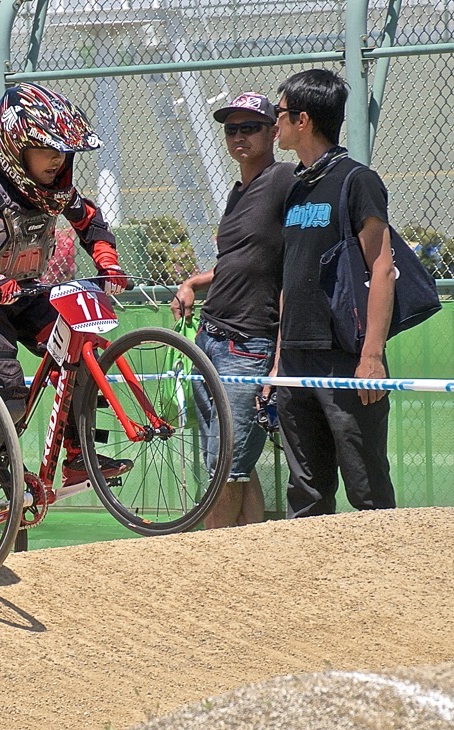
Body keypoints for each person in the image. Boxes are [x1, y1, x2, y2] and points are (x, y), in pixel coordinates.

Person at [0, 82, 132, 511]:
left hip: (28, 294)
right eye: (47, 149)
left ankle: (80, 458)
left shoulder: (59, 192)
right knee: (7, 388)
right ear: (14, 148)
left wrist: (107, 263)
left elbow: (92, 223)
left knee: (83, 352)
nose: (59, 160)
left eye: (64, 152)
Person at [274, 68, 396, 517]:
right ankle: (308, 586)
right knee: (305, 494)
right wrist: (278, 360)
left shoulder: (357, 180)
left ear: (303, 119)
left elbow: (382, 268)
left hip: (345, 355)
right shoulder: (295, 187)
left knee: (367, 489)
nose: (275, 122)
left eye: (280, 112)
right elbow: (291, 276)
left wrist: (372, 356)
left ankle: (384, 581)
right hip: (295, 360)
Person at [171, 92, 296, 529]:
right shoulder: (237, 192)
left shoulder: (286, 180)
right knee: (232, 463)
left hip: (249, 343)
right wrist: (191, 283)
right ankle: (246, 556)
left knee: (225, 467)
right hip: (211, 336)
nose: (239, 136)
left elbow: (288, 267)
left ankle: (213, 561)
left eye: (251, 127)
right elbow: (236, 262)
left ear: (274, 131)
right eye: (231, 129)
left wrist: (277, 361)